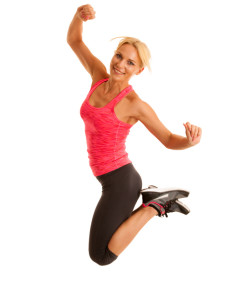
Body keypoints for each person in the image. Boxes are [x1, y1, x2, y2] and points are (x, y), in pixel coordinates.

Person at [67, 4, 202, 266]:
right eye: (119, 56)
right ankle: (154, 200)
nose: (120, 65)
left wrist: (189, 141)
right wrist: (78, 16)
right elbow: (74, 39)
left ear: (138, 71)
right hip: (107, 177)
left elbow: (168, 139)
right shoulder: (98, 77)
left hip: (121, 181)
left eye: (130, 62)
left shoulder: (134, 104)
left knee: (102, 256)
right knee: (101, 252)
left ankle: (156, 205)